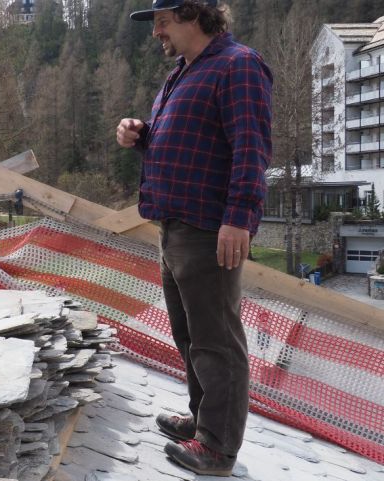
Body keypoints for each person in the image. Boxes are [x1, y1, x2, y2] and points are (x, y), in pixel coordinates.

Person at [117, 0, 271, 476]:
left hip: (209, 228)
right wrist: (142, 134)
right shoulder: (183, 74)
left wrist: (239, 218)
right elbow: (192, 139)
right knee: (190, 336)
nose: (155, 32)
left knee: (217, 341)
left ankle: (219, 448)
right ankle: (203, 421)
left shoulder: (238, 65)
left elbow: (252, 146)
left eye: (162, 21)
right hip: (176, 225)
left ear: (193, 14)